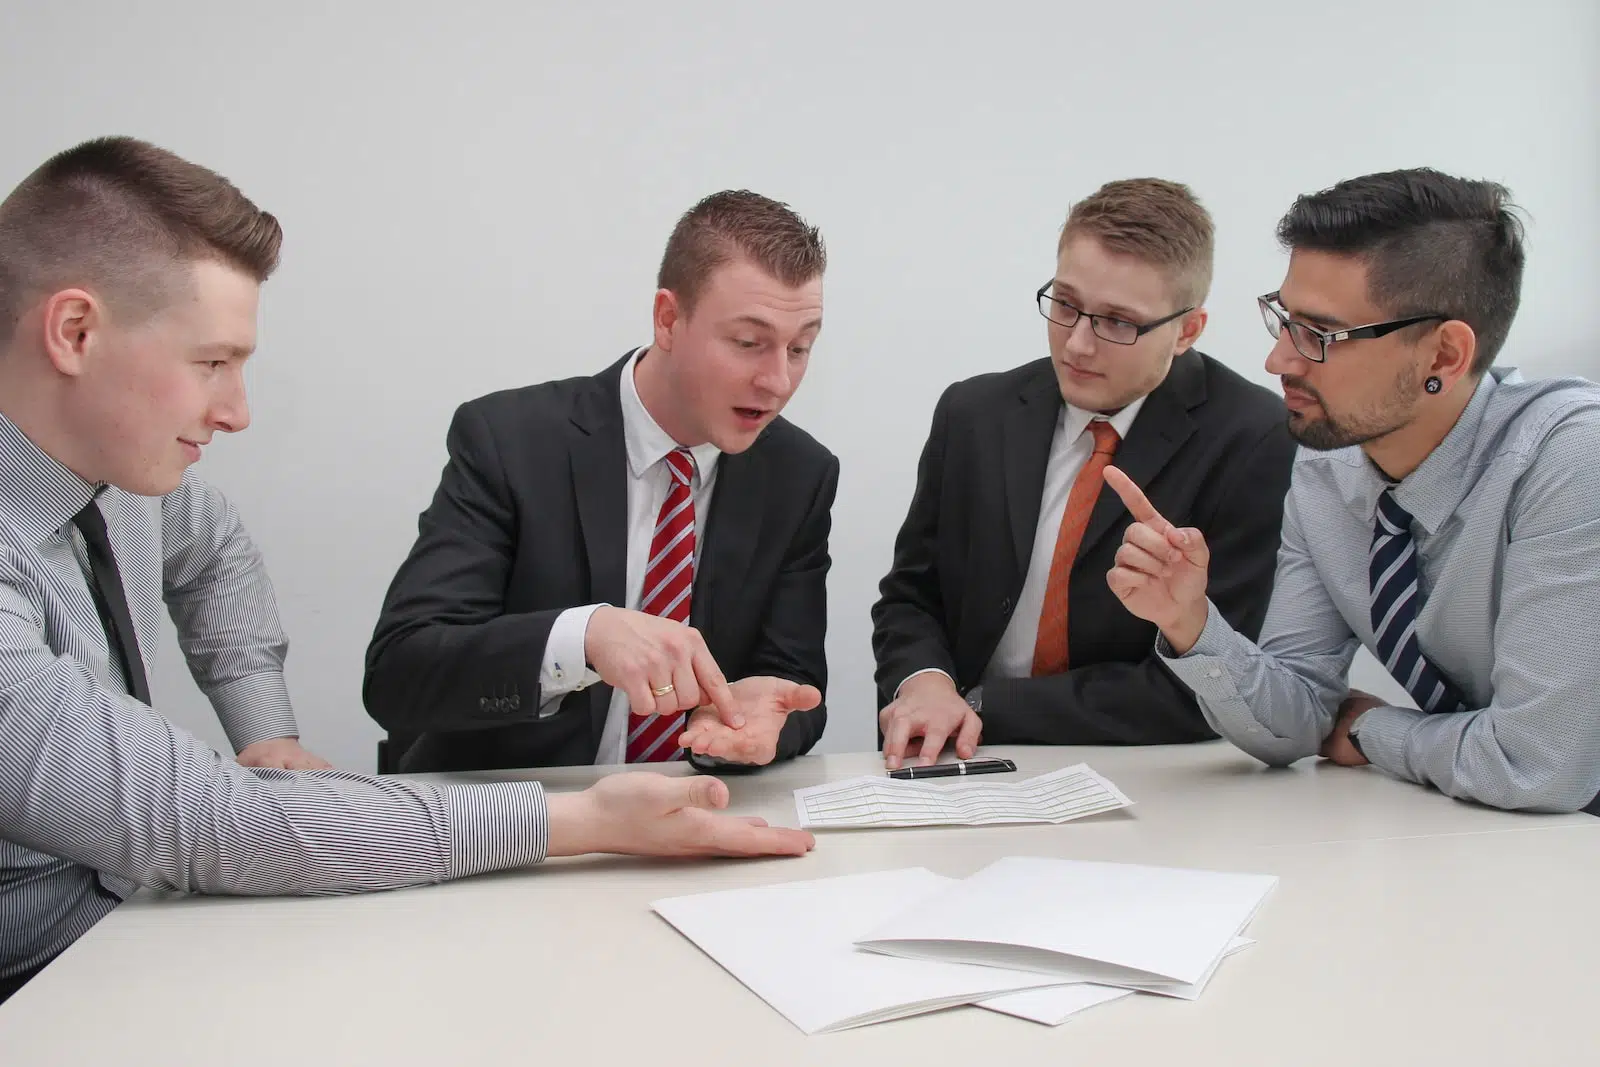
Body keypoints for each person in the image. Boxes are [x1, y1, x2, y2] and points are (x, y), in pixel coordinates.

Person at [0, 137, 813, 1003]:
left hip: (135, 921)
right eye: (212, 363)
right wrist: (573, 819)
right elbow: (211, 819)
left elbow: (213, 554)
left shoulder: (123, 477)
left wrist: (264, 729)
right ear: (75, 332)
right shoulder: (510, 438)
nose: (237, 411)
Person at [1107, 167, 1600, 814]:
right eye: (1283, 320)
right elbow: (1298, 719)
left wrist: (1372, 730)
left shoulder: (1568, 460)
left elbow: (1535, 766)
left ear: (1444, 357)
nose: (1278, 360)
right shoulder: (1328, 467)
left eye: (1318, 335)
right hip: (1498, 839)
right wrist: (1191, 622)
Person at [364, 190, 836, 774]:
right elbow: (399, 672)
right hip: (512, 826)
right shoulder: (510, 441)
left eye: (801, 347)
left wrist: (769, 722)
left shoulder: (799, 474)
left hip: (690, 820)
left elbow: (796, 686)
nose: (777, 380)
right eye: (748, 343)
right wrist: (582, 638)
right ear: (668, 319)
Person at [870, 179, 1294, 769]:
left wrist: (986, 704)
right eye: (1065, 304)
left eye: (1118, 322)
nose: (1077, 343)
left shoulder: (1255, 439)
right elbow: (911, 596)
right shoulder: (973, 414)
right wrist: (924, 684)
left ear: (1188, 331)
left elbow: (1211, 682)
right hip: (957, 760)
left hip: (1152, 774)